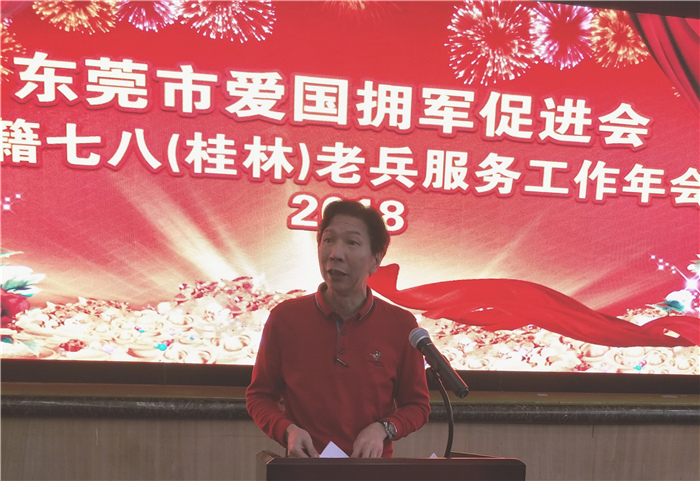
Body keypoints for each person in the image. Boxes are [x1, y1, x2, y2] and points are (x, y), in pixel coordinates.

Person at [246, 200, 430, 458]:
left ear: (376, 260)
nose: (335, 253)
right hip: (303, 470)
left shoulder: (401, 325)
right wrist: (287, 430)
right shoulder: (284, 318)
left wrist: (383, 428)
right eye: (328, 240)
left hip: (370, 472)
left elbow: (417, 405)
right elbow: (259, 396)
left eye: (352, 243)